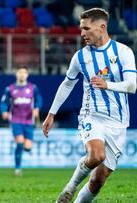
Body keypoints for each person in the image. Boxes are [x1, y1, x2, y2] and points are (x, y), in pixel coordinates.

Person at [42, 8, 136, 203]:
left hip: (118, 122)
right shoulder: (80, 57)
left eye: (86, 28)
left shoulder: (123, 52)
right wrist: (51, 113)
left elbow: (132, 86)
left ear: (102, 27)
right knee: (96, 156)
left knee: (98, 180)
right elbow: (67, 83)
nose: (82, 33)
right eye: (80, 28)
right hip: (91, 116)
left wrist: (107, 84)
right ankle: (70, 188)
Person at [0, 66, 43, 176]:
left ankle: (25, 148)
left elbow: (39, 99)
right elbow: (4, 102)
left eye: (24, 72)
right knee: (19, 143)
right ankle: (18, 168)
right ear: (16, 74)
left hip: (29, 121)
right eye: (20, 72)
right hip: (16, 120)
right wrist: (4, 111)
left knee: (27, 147)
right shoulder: (10, 88)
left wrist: (37, 108)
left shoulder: (33, 88)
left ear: (27, 75)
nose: (22, 74)